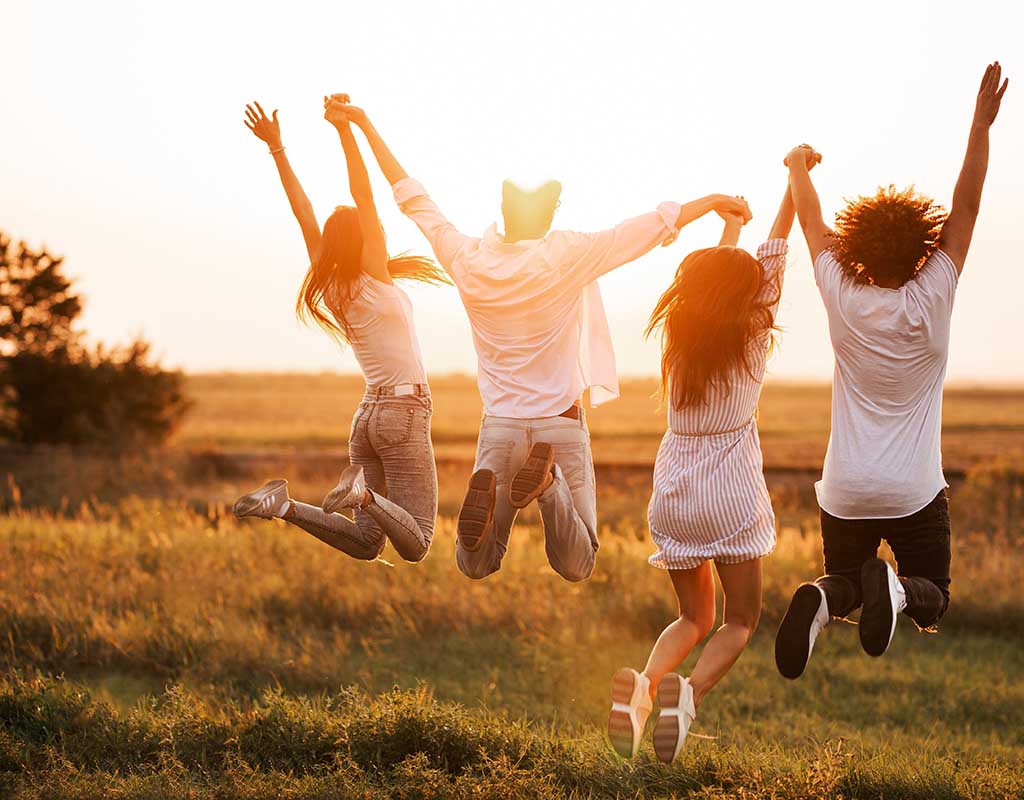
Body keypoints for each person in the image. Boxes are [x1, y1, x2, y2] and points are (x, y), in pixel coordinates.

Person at [325, 97, 753, 583]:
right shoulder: (569, 252)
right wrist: (717, 202)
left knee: (476, 564)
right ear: (549, 216)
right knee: (577, 563)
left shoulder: (467, 258)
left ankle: (487, 515)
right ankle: (548, 487)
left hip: (501, 426)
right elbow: (652, 224)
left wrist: (360, 124)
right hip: (561, 426)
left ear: (502, 212)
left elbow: (411, 197)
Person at [774, 63, 1009, 679]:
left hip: (846, 488)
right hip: (912, 492)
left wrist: (798, 168)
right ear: (921, 246)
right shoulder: (934, 292)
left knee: (845, 583)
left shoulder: (843, 295)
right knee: (934, 591)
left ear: (859, 248)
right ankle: (899, 592)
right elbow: (967, 203)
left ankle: (821, 599)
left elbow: (810, 223)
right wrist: (979, 125)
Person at [605, 172, 810, 763]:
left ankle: (644, 687)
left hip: (672, 487)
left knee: (692, 616)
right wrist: (793, 184)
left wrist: (730, 225)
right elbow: (769, 259)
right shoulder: (751, 333)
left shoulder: (681, 333)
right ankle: (687, 696)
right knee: (740, 619)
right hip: (730, 491)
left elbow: (719, 280)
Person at [232, 99, 448, 565]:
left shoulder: (329, 283)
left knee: (368, 545)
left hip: (366, 418)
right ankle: (362, 497)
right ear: (364, 240)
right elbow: (365, 195)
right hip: (403, 412)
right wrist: (345, 130)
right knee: (419, 543)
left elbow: (302, 210)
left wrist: (277, 149)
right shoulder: (374, 272)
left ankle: (284, 505)